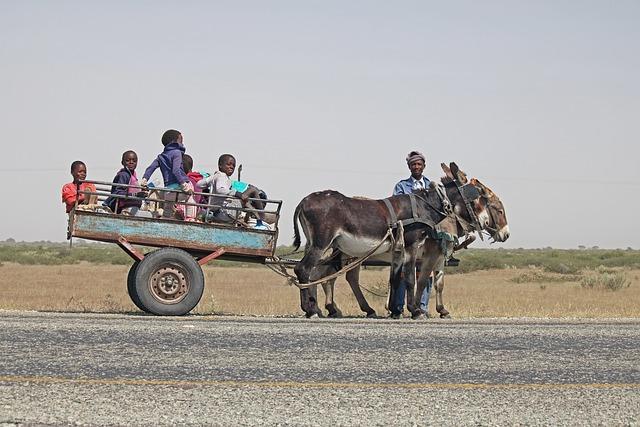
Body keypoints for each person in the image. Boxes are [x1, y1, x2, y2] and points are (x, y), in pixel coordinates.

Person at [392, 150, 432, 317]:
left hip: (426, 236)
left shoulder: (431, 186)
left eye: (419, 164)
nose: (416, 167)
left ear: (423, 166)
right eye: (413, 164)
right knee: (403, 272)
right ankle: (399, 307)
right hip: (407, 236)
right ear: (409, 167)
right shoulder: (401, 186)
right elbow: (396, 209)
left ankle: (422, 307)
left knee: (424, 272)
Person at [197, 154, 269, 229]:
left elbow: (199, 184)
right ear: (220, 165)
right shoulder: (222, 176)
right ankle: (261, 219)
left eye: (233, 166)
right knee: (252, 190)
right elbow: (220, 190)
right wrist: (237, 194)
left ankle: (259, 218)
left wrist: (211, 179)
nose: (231, 167)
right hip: (226, 213)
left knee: (244, 199)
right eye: (228, 164)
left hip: (217, 213)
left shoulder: (216, 176)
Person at [140, 129, 193, 217]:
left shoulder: (161, 156)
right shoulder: (177, 153)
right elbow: (176, 170)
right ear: (174, 142)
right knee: (190, 197)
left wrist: (144, 179)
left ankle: (164, 222)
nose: (182, 143)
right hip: (178, 189)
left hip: (167, 191)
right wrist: (184, 186)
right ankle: (190, 219)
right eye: (181, 140)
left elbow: (151, 168)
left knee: (168, 208)